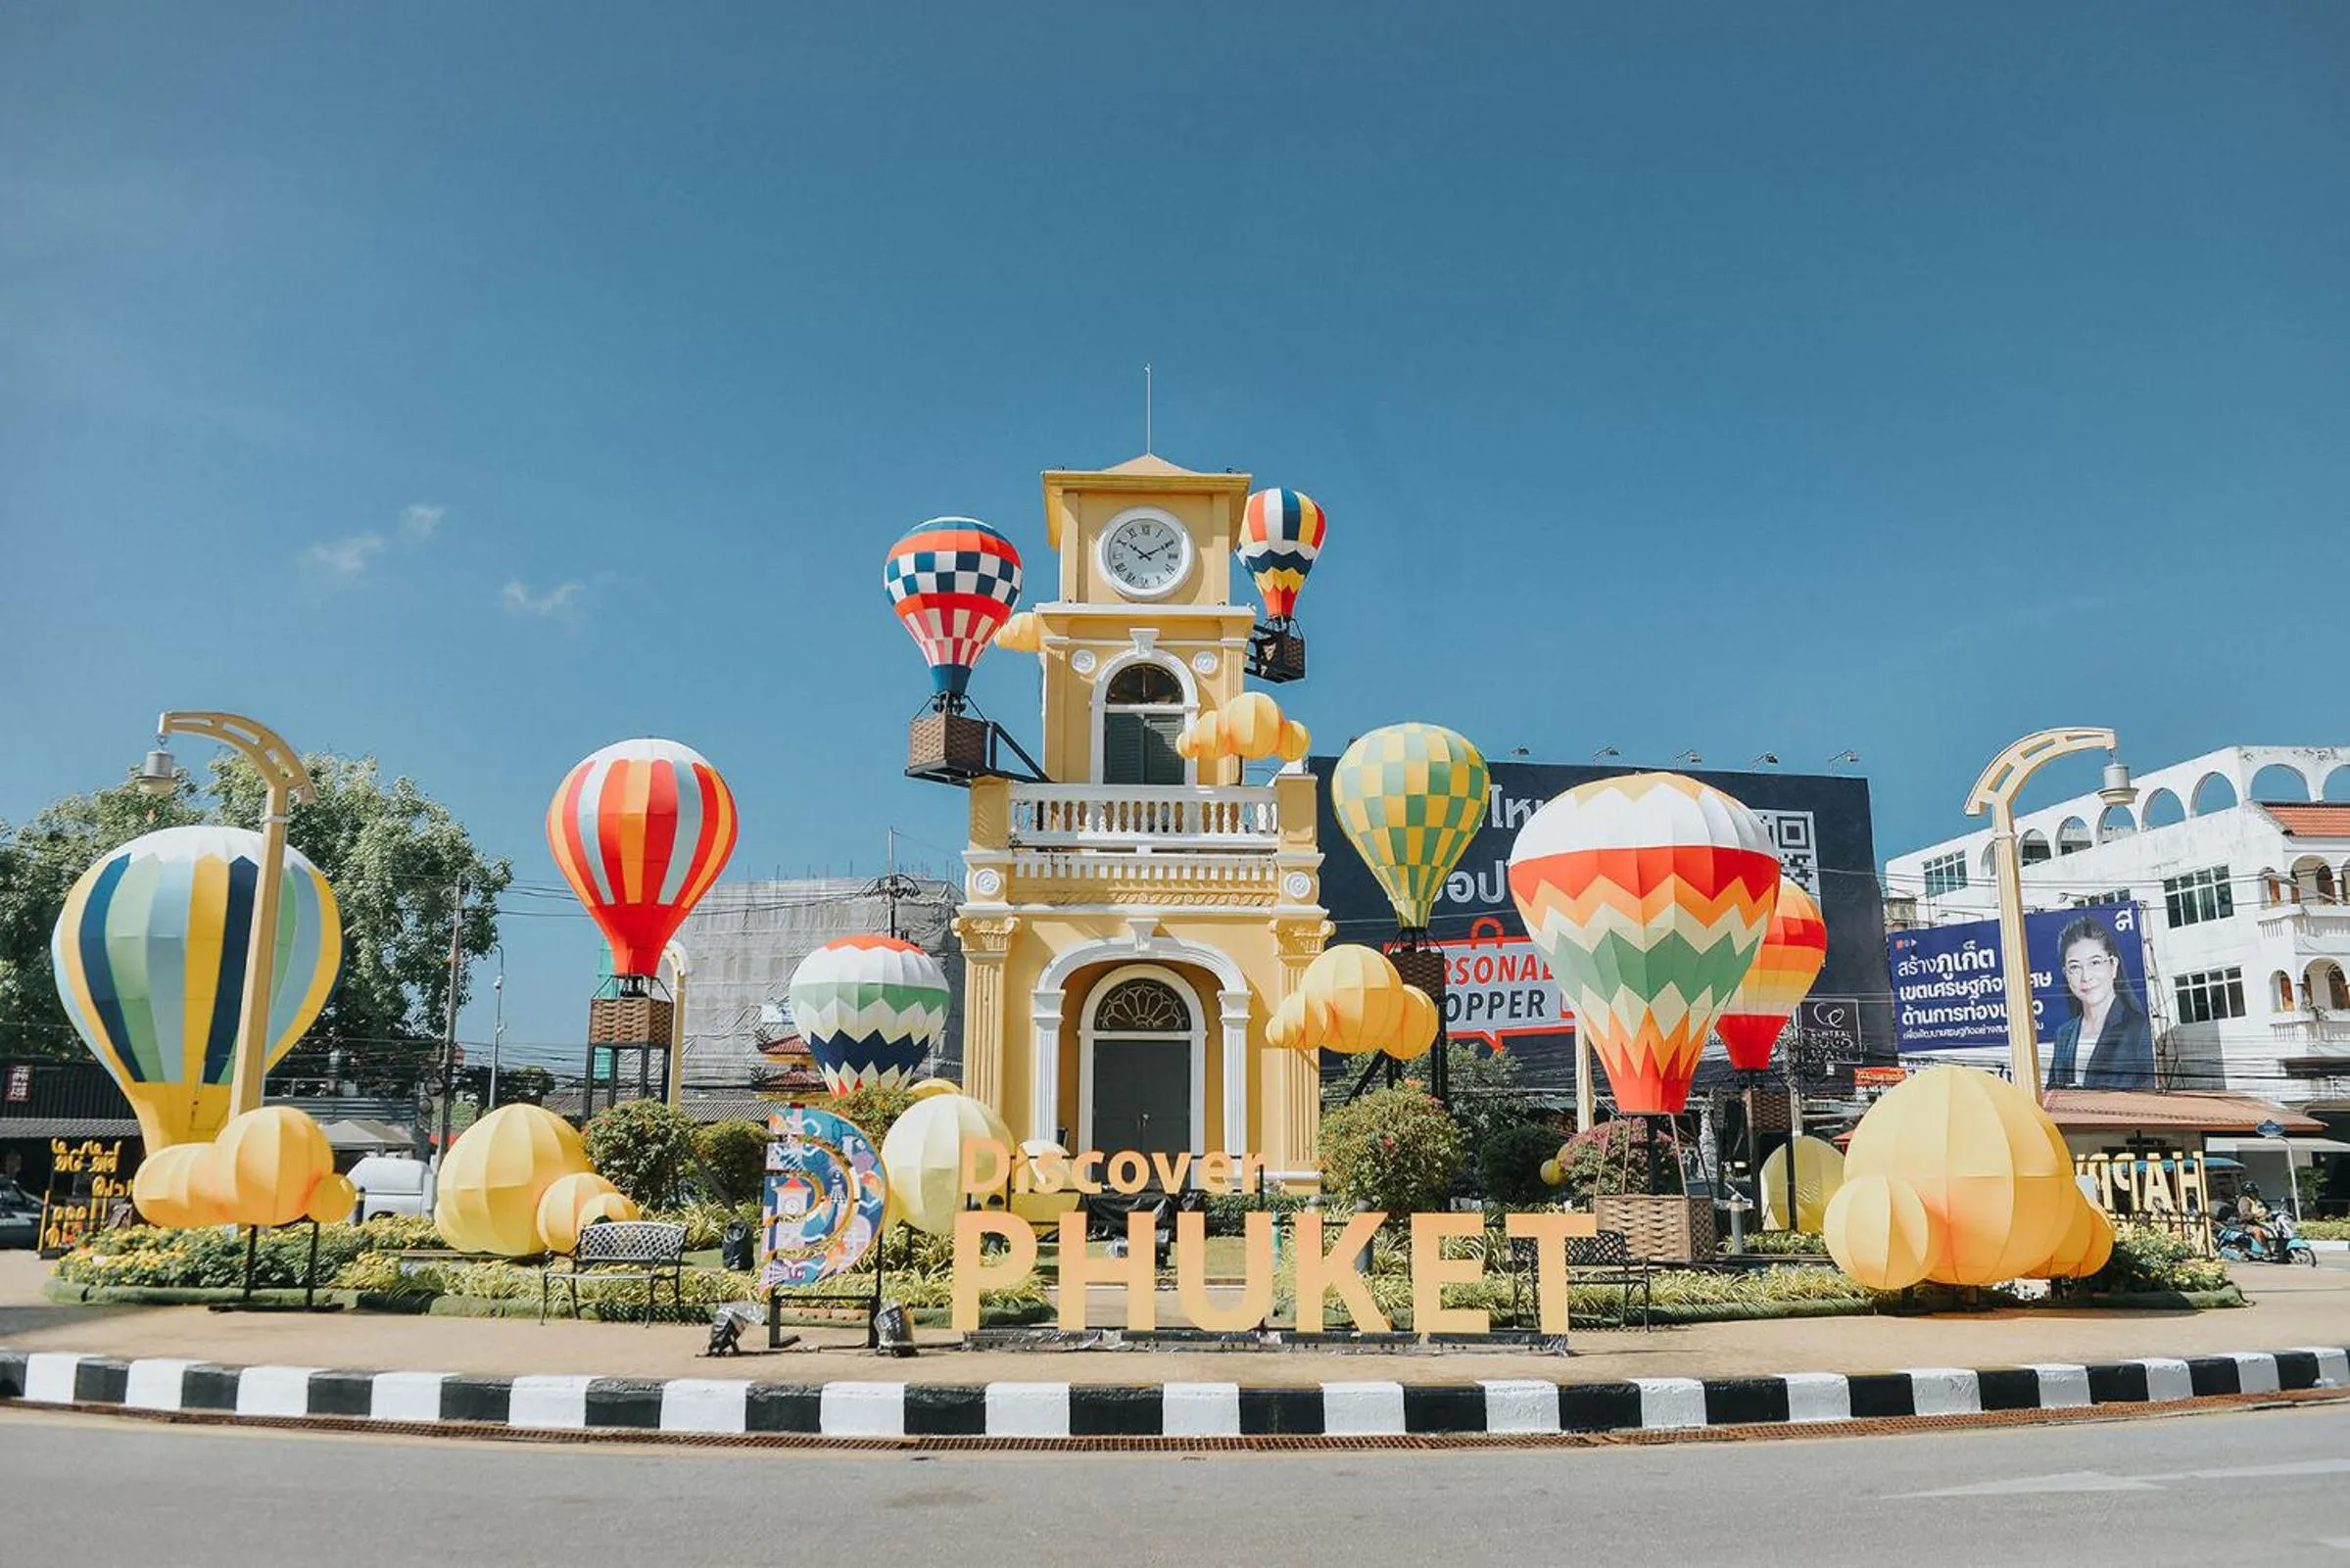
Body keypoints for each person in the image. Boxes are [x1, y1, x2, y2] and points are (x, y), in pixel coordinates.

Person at [2042, 915, 2156, 1091]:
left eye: (2095, 963)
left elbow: (2149, 1096)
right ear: (2065, 974)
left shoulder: (2139, 1028)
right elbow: (2053, 1095)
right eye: (2074, 967)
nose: (2085, 977)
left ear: (2113, 966)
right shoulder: (2064, 1035)